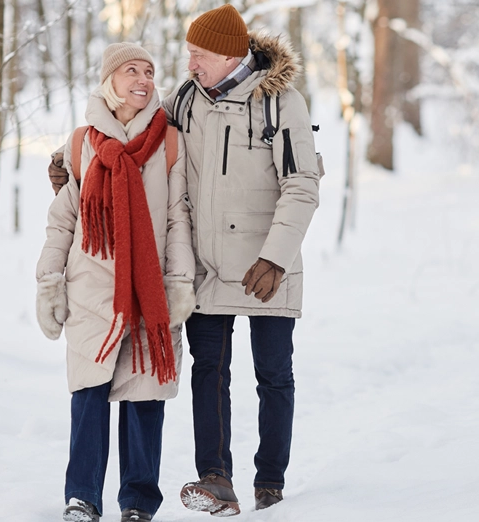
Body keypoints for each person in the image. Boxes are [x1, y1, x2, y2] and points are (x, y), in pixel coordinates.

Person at [164, 4, 323, 516]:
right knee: (208, 371)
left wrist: (276, 257)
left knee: (273, 374)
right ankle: (215, 478)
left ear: (232, 54)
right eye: (189, 52)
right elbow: (134, 135)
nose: (191, 63)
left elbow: (302, 185)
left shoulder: (280, 101)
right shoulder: (187, 99)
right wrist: (71, 161)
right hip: (208, 266)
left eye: (200, 54)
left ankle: (270, 484)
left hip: (265, 267)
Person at [36, 42, 197, 522]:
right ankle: (83, 497)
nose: (143, 79)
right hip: (93, 288)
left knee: (144, 399)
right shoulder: (82, 142)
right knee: (88, 397)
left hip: (149, 290)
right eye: (132, 70)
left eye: (149, 71)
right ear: (110, 80)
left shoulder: (168, 140)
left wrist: (180, 280)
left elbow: (177, 217)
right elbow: (62, 219)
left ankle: (138, 504)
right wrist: (49, 280)